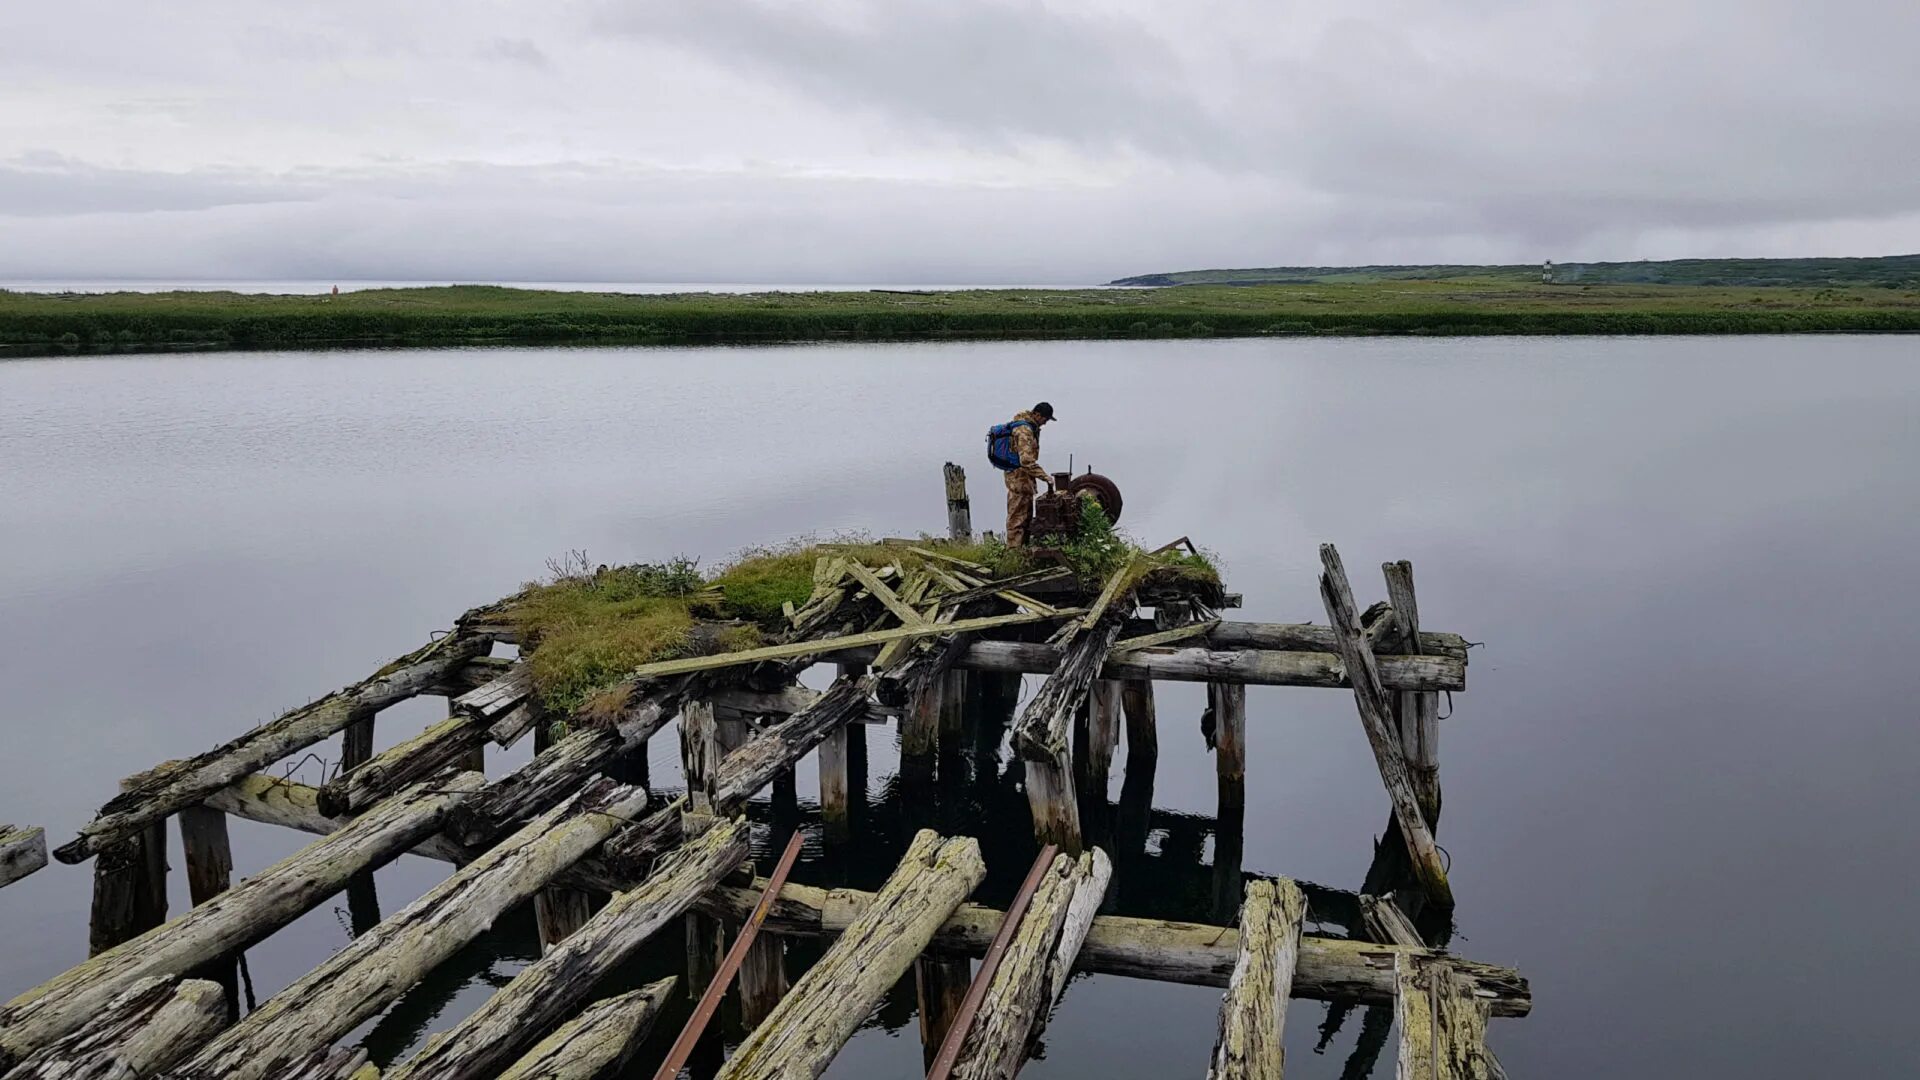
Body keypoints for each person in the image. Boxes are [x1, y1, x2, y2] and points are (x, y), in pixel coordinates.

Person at [1003, 401, 1055, 547]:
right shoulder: (1024, 430)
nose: (1045, 424)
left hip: (1024, 481)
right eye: (1045, 419)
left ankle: (1023, 554)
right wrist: (1045, 477)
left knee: (1025, 519)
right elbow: (1025, 460)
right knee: (1017, 521)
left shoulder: (1029, 427)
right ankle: (1013, 557)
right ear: (1037, 415)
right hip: (1018, 481)